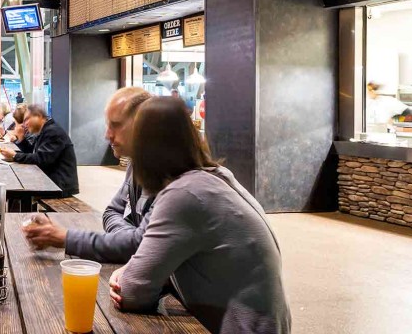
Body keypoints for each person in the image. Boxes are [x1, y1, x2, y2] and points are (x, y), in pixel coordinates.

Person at [108, 97, 291, 334]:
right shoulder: (215, 177)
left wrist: (134, 270)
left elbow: (132, 292)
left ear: (145, 149)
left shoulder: (184, 194)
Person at [24, 88, 156, 263]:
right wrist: (128, 237)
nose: (107, 134)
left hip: (59, 185)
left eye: (115, 125)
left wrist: (64, 238)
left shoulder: (179, 186)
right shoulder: (136, 164)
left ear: (143, 124)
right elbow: (111, 212)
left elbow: (140, 246)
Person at [0, 104, 79, 197]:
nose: (24, 124)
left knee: (15, 187)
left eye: (27, 119)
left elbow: (41, 159)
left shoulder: (53, 131)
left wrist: (15, 156)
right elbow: (32, 153)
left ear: (39, 116)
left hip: (58, 185)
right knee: (14, 184)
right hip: (49, 180)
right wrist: (21, 139)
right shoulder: (45, 130)